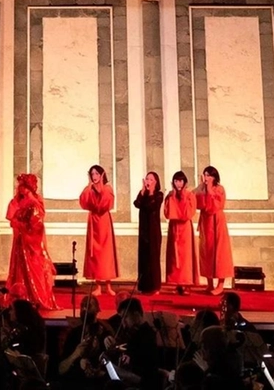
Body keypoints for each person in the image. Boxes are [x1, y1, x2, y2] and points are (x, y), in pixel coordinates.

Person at [7, 173, 58, 310]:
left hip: (30, 242)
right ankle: (21, 295)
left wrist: (19, 224)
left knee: (34, 268)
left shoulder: (34, 203)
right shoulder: (20, 201)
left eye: (23, 186)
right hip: (21, 241)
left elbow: (36, 226)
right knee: (20, 269)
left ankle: (33, 296)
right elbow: (12, 218)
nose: (20, 188)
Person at [104, 297, 161, 390]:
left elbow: (143, 375)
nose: (123, 322)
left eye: (125, 317)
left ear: (136, 315)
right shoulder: (132, 334)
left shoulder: (146, 337)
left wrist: (119, 371)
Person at [79, 165, 120, 296]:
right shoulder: (89, 189)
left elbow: (105, 204)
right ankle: (97, 285)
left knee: (106, 254)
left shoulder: (107, 188)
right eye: (92, 174)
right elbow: (84, 203)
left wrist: (100, 187)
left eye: (97, 174)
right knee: (95, 253)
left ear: (102, 175)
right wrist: (88, 186)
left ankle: (108, 285)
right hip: (93, 222)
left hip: (104, 222)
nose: (94, 176)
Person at [195, 166, 233, 295]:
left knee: (220, 252)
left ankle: (220, 284)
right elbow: (194, 199)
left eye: (208, 175)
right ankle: (209, 283)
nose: (206, 178)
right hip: (206, 221)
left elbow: (217, 204)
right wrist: (202, 187)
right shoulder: (202, 188)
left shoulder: (219, 189)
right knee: (206, 251)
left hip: (216, 221)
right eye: (205, 175)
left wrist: (210, 188)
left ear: (214, 177)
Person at [163, 171, 198, 295]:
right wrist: (172, 197)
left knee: (186, 257)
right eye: (176, 181)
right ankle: (176, 283)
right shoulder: (170, 195)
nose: (179, 183)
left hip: (185, 229)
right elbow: (167, 213)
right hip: (174, 227)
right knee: (174, 256)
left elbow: (188, 213)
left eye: (181, 181)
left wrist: (182, 197)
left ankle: (186, 283)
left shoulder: (189, 195)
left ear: (185, 182)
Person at [134, 171, 164, 295]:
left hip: (154, 231)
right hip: (143, 231)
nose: (148, 181)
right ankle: (143, 286)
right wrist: (143, 190)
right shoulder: (143, 194)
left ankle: (155, 286)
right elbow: (137, 204)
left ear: (156, 182)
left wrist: (151, 191)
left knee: (153, 259)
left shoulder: (158, 195)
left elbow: (153, 206)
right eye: (147, 179)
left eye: (151, 179)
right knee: (143, 259)